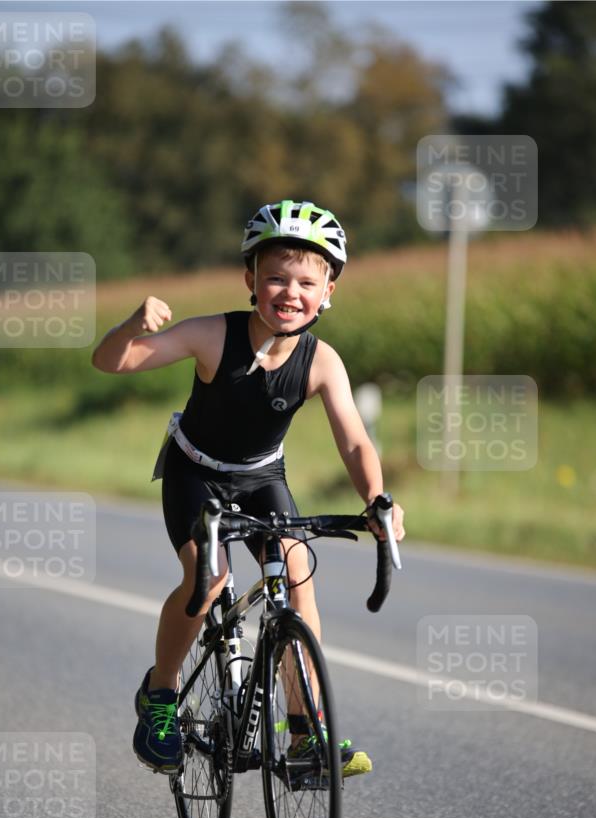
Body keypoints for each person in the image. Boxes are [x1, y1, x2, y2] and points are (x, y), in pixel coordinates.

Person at [92, 199, 405, 779]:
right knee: (207, 580)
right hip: (196, 472)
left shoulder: (321, 361)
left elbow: (356, 444)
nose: (290, 292)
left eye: (307, 282)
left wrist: (377, 501)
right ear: (250, 282)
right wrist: (130, 327)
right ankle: (160, 695)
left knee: (298, 576)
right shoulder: (214, 335)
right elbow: (112, 362)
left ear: (328, 291)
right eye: (276, 279)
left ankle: (304, 731)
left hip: (263, 477)